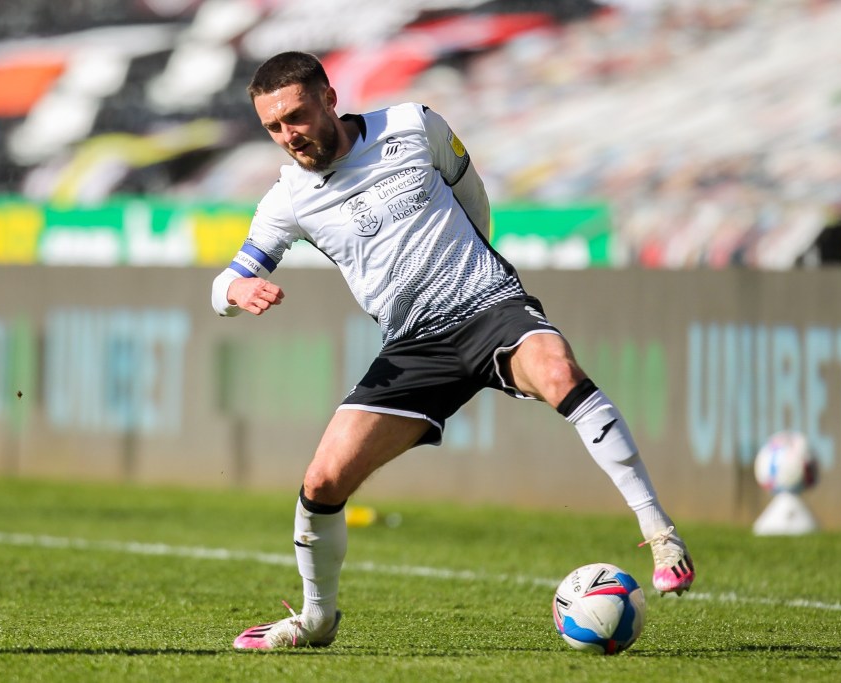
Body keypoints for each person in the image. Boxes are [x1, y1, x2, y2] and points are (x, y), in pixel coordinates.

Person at [211, 51, 695, 650]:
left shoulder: (414, 126)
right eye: (274, 128)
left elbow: (473, 200)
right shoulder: (287, 199)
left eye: (297, 117)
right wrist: (238, 290)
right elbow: (223, 283)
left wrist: (471, 267)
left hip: (488, 305)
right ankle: (316, 620)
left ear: (330, 99)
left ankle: (660, 532)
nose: (289, 137)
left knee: (559, 371)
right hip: (414, 347)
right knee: (322, 481)